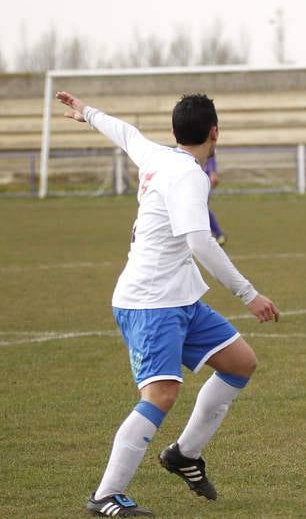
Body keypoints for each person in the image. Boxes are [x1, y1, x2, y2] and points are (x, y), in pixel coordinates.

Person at [56, 91, 279, 517]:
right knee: (161, 393)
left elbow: (124, 132)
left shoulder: (157, 154)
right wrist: (249, 295)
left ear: (175, 132)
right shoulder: (191, 176)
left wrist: (87, 113)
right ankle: (106, 493)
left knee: (240, 362)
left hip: (180, 297)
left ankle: (184, 454)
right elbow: (200, 241)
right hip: (150, 301)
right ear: (215, 132)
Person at [204, 156, 226, 245]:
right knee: (200, 209)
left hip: (204, 178)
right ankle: (218, 234)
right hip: (193, 177)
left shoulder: (206, 144)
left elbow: (210, 153)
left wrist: (213, 171)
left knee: (201, 208)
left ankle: (218, 234)